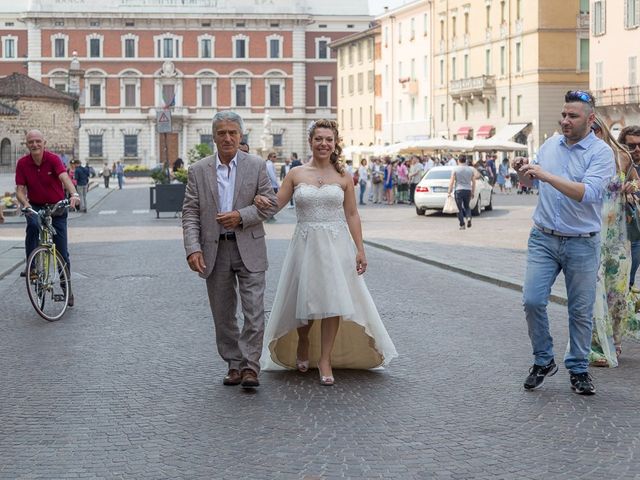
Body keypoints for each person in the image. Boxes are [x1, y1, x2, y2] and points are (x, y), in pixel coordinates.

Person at [254, 119, 398, 385]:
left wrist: (360, 249)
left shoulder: (344, 176)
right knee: (306, 299)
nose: (323, 144)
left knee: (333, 301)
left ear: (335, 143)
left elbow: (352, 214)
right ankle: (303, 340)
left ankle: (325, 359)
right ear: (311, 142)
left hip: (336, 245)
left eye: (328, 139)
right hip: (305, 243)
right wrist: (261, 200)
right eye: (319, 139)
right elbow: (275, 205)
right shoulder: (295, 174)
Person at [516, 90, 615, 395]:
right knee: (532, 300)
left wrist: (545, 175)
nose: (565, 121)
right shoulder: (549, 145)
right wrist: (524, 172)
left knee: (580, 310)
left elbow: (589, 193)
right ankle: (543, 359)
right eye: (563, 115)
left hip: (582, 242)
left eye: (573, 116)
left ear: (590, 119)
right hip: (543, 238)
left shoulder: (601, 153)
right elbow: (529, 183)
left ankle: (579, 368)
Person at [181, 111, 277, 389]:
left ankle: (251, 367)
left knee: (254, 310)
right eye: (221, 133)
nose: (227, 137)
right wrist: (192, 248)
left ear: (241, 135)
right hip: (215, 250)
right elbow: (189, 212)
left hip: (250, 246)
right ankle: (234, 364)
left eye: (232, 132)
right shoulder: (199, 170)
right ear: (214, 137)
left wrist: (242, 215)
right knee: (223, 314)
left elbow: (269, 204)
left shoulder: (256, 165)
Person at [588, 117, 639, 368]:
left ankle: (615, 339)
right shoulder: (582, 158)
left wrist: (630, 187)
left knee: (617, 293)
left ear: (603, 131)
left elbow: (635, 184)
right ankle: (596, 346)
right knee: (595, 294)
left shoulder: (622, 157)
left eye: (595, 130)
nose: (592, 135)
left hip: (619, 238)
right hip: (593, 235)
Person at [15, 129, 81, 306]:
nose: (35, 144)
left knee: (61, 251)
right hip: (35, 205)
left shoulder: (53, 159)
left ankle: (66, 287)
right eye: (31, 142)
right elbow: (20, 190)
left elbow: (64, 177)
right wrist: (25, 204)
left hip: (56, 207)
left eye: (38, 141)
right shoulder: (22, 163)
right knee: (33, 226)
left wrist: (74, 194)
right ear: (27, 145)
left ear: (44, 143)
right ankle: (33, 267)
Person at [620, 125, 640, 289]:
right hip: (623, 227)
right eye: (632, 146)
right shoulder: (619, 162)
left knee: (632, 268)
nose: (637, 149)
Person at [447, 155, 476, 230]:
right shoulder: (470, 170)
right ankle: (469, 218)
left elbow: (452, 181)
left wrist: (449, 191)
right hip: (468, 190)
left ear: (458, 161)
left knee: (459, 209)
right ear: (465, 160)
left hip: (458, 190)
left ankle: (462, 224)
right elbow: (474, 182)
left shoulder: (455, 169)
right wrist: (472, 192)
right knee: (467, 207)